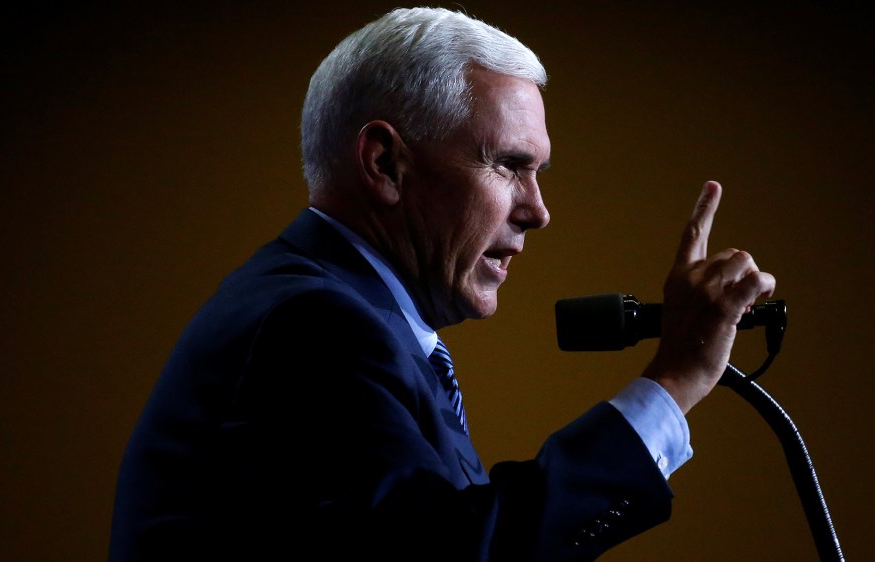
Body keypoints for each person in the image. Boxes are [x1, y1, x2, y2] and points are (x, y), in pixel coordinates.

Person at [109, 7, 775, 561]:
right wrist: (676, 380)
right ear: (385, 163)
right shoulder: (313, 324)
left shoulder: (343, 314)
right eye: (509, 165)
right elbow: (456, 553)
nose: (537, 210)